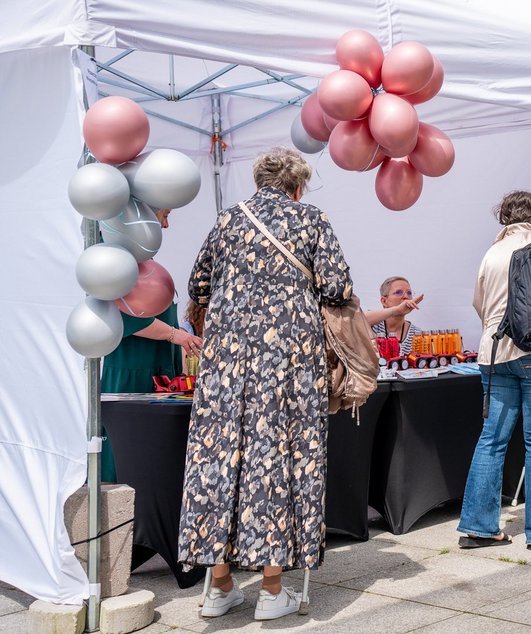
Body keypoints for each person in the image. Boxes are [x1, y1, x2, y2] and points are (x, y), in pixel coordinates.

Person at [177, 148, 353, 621]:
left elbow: (197, 286)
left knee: (217, 458)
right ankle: (272, 591)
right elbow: (337, 288)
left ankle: (218, 586)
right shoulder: (311, 220)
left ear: (258, 183)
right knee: (277, 456)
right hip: (288, 359)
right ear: (298, 187)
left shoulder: (227, 220)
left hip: (226, 359)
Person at [457, 191, 531, 551]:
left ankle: (479, 527)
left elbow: (479, 304)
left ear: (504, 218)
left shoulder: (491, 253)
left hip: (494, 355)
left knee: (492, 438)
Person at [100, 207, 202, 483]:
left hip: (156, 373)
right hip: (130, 373)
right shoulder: (116, 266)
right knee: (123, 451)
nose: (166, 225)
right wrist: (175, 335)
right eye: (163, 215)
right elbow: (125, 318)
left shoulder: (144, 266)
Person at [364, 276, 424, 356]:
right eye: (399, 292)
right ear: (384, 301)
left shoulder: (416, 334)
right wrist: (396, 310)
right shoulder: (374, 325)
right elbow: (356, 319)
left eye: (409, 293)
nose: (406, 296)